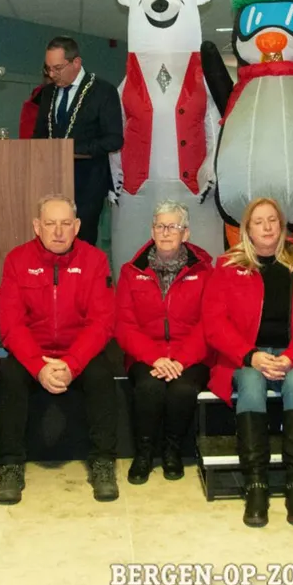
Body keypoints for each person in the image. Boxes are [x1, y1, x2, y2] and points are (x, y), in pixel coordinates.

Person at [204, 198, 293, 528]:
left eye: (272, 220)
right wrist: (250, 355)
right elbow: (214, 322)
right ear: (246, 229)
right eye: (258, 221)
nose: (266, 227)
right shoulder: (228, 267)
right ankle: (256, 484)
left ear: (282, 225)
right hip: (246, 354)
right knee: (249, 381)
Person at [0, 195, 118, 504]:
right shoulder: (16, 260)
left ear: (77, 226)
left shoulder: (95, 260)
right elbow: (10, 325)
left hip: (78, 351)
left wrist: (72, 363)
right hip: (32, 352)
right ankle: (10, 464)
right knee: (9, 374)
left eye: (66, 224)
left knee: (102, 374)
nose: (58, 232)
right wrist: (38, 366)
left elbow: (102, 323)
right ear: (37, 226)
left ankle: (103, 462)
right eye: (50, 224)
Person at [116, 200, 212, 484]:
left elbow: (210, 324)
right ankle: (144, 453)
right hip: (147, 356)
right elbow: (123, 324)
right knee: (148, 387)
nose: (166, 232)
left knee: (182, 390)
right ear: (152, 231)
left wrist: (180, 359)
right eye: (160, 226)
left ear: (186, 233)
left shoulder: (206, 271)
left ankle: (172, 451)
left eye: (174, 226)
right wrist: (154, 357)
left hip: (191, 355)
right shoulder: (131, 271)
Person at [32, 36, 124, 245]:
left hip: (88, 184)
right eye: (48, 69)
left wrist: (72, 150)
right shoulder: (47, 93)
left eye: (57, 68)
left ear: (76, 63)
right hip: (50, 182)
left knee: (82, 243)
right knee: (50, 241)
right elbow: (39, 135)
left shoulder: (103, 91)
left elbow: (114, 140)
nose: (52, 75)